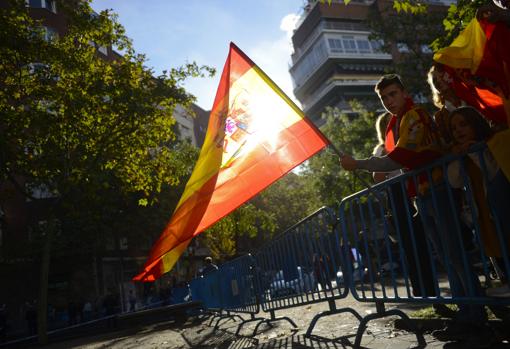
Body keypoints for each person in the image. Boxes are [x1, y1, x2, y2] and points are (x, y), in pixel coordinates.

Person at [340, 75, 448, 313]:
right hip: (421, 193)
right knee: (445, 253)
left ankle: (472, 310)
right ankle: (465, 311)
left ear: (404, 92)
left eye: (393, 94)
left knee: (452, 253)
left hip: (438, 189)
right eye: (383, 97)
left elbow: (399, 158)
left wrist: (358, 163)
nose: (389, 101)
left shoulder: (414, 115)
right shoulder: (398, 121)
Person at [447, 106, 510, 297]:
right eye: (454, 128)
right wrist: (459, 156)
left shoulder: (490, 144)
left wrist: (474, 151)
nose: (459, 130)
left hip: (500, 203)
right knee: (492, 242)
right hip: (482, 208)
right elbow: (454, 180)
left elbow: (493, 173)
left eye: (463, 124)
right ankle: (506, 279)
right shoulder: (462, 153)